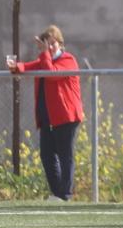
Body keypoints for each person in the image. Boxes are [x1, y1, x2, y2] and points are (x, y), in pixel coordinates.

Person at [7, 25, 84, 202]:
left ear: (60, 43)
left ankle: (65, 194)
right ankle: (57, 193)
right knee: (47, 155)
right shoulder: (46, 60)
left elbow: (51, 74)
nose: (49, 48)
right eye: (46, 44)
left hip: (66, 116)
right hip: (48, 118)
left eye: (52, 44)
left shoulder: (68, 60)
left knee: (66, 155)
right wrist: (15, 66)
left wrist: (44, 53)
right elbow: (27, 67)